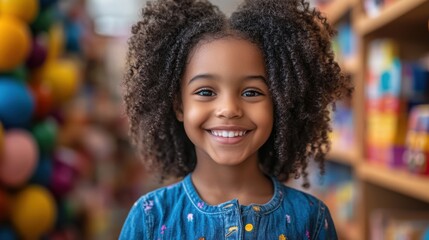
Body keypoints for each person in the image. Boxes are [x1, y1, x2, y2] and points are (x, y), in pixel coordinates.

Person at [119, 0, 352, 239]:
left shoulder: (311, 218)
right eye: (206, 92)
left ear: (280, 103)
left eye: (251, 92)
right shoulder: (149, 218)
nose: (229, 109)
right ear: (179, 106)